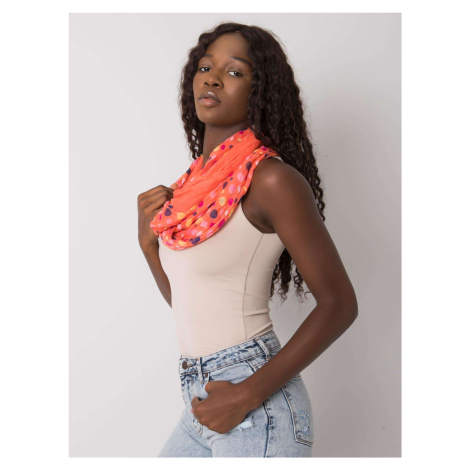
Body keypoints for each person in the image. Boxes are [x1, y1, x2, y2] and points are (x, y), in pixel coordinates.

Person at [137, 22, 358, 458]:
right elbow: (191, 304)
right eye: (205, 67)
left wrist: (245, 395)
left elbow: (340, 304)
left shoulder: (271, 180)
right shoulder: (189, 191)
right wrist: (148, 247)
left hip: (256, 401)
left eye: (234, 72)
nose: (213, 79)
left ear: (260, 91)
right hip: (200, 398)